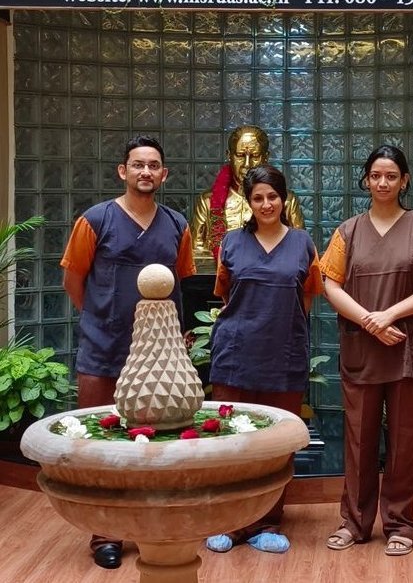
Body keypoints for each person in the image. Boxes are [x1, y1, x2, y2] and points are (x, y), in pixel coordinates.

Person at [60, 135, 196, 570]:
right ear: (123, 171)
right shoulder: (95, 220)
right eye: (138, 164)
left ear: (164, 174)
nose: (145, 172)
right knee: (102, 440)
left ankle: (154, 523)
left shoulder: (177, 225)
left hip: (159, 359)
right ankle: (106, 533)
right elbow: (73, 280)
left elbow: (181, 280)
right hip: (104, 349)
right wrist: (101, 318)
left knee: (156, 441)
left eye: (153, 165)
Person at [320, 145, 413, 556]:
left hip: (407, 350)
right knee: (358, 440)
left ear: (404, 180)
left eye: (391, 176)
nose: (382, 183)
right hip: (362, 350)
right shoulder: (348, 232)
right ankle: (354, 522)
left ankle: (400, 523)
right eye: (376, 176)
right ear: (366, 180)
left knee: (405, 441)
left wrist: (389, 315)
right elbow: (330, 284)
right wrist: (369, 321)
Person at [205, 164, 324, 554]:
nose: (266, 204)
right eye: (258, 198)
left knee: (277, 443)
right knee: (232, 442)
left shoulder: (303, 243)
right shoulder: (232, 243)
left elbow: (307, 297)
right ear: (249, 202)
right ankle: (229, 523)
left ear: (283, 199)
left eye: (273, 196)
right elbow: (227, 295)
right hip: (236, 354)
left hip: (283, 353)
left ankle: (267, 523)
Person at [190, 125, 304, 264]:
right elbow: (197, 253)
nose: (247, 164)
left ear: (266, 157)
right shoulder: (208, 201)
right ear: (229, 156)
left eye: (255, 156)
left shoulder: (285, 201)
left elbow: (299, 249)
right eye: (240, 156)